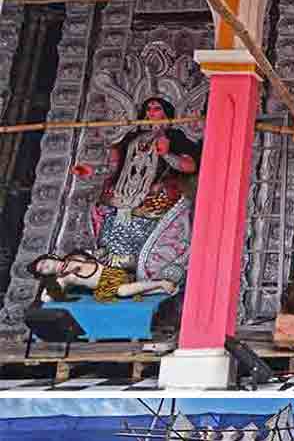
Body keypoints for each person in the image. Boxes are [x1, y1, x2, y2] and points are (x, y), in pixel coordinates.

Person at [77, 97, 201, 270]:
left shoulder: (175, 137)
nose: (151, 113)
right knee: (104, 206)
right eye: (148, 109)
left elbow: (190, 166)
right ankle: (109, 254)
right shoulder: (133, 137)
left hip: (156, 190)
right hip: (124, 190)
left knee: (147, 207)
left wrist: (165, 154)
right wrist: (92, 172)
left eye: (156, 108)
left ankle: (135, 259)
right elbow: (114, 168)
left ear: (167, 111)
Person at [26, 252, 178, 303]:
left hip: (112, 272)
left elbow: (98, 256)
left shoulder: (74, 255)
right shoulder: (62, 279)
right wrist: (47, 286)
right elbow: (46, 299)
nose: (46, 266)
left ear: (51, 257)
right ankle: (161, 287)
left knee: (122, 291)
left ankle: (161, 283)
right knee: (123, 292)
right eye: (42, 270)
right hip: (104, 285)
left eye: (45, 262)